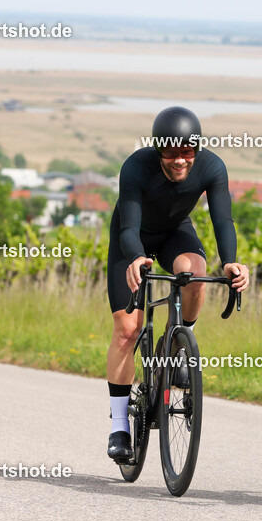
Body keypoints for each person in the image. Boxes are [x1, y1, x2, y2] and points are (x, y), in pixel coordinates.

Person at [105, 106, 249, 461]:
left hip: (174, 232)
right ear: (159, 150)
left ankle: (180, 341)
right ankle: (119, 426)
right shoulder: (137, 167)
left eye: (188, 151)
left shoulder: (212, 167)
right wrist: (136, 257)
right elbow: (128, 227)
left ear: (197, 149)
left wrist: (230, 261)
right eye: (171, 152)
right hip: (131, 240)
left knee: (195, 274)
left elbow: (223, 221)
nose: (180, 160)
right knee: (127, 330)